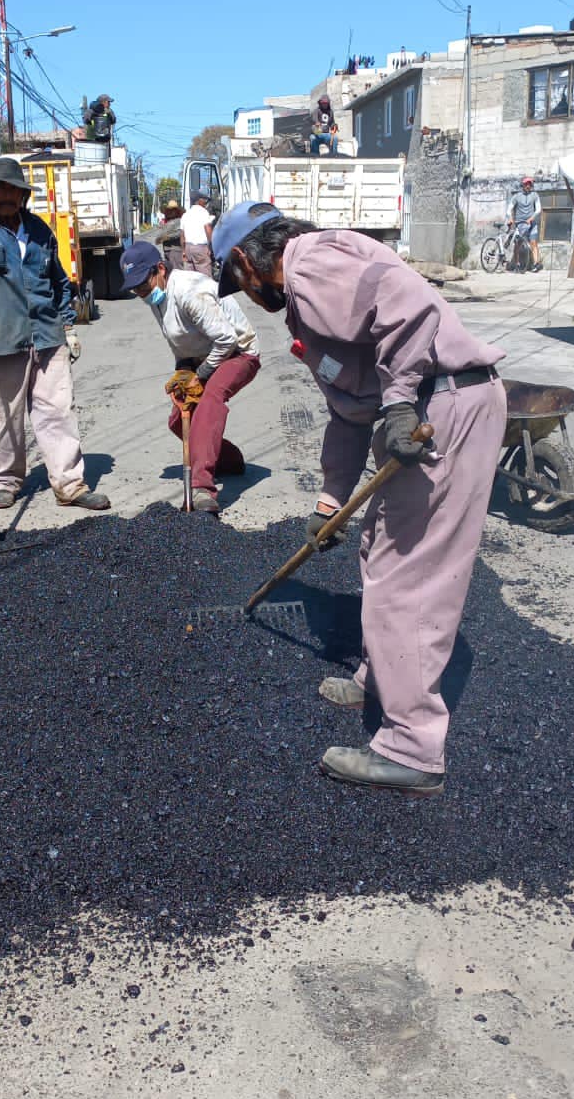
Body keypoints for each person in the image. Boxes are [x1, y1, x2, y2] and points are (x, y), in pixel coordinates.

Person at [214, 202, 506, 797]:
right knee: (378, 547)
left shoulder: (308, 266)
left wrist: (399, 401)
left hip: (440, 408)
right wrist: (329, 501)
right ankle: (385, 678)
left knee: (408, 576)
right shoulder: (311, 294)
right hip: (431, 406)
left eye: (237, 283)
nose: (246, 296)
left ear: (245, 261)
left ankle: (411, 748)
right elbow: (348, 415)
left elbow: (409, 303)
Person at [0, 157, 110, 513]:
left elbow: (59, 282)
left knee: (58, 411)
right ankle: (6, 481)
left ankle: (69, 484)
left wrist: (68, 325)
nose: (8, 197)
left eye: (14, 190)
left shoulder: (39, 229)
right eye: (1, 190)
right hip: (4, 339)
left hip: (47, 334)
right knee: (7, 414)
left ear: (23, 196)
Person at [119, 239, 259, 514]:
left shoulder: (188, 290)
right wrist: (183, 372)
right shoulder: (155, 295)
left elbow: (226, 340)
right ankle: (230, 461)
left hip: (238, 353)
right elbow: (179, 340)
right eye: (134, 287)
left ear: (160, 269)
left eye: (142, 283)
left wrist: (202, 376)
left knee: (209, 401)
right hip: (200, 358)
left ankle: (203, 488)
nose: (140, 291)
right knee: (178, 420)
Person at [506, 177, 543, 272]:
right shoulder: (517, 197)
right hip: (520, 224)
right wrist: (510, 218)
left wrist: (531, 218)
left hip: (532, 223)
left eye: (530, 184)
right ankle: (517, 264)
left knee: (533, 243)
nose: (528, 186)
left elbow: (538, 209)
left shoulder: (535, 195)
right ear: (523, 185)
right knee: (518, 244)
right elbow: (509, 208)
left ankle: (536, 264)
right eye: (526, 184)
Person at [180, 191, 215, 277]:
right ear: (199, 201)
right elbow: (208, 229)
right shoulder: (203, 212)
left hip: (188, 248)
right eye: (204, 200)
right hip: (200, 248)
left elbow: (182, 235)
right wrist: (212, 247)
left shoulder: (185, 215)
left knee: (191, 277)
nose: (205, 202)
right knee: (205, 277)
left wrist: (184, 251)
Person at [157, 197, 185, 272]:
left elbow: (179, 233)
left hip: (171, 250)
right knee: (174, 272)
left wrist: (167, 237)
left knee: (173, 272)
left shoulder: (175, 221)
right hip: (172, 250)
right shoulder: (172, 222)